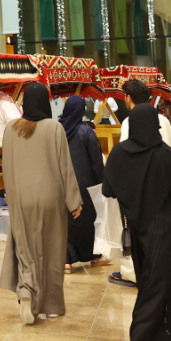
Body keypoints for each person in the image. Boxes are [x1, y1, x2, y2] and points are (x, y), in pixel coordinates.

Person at [102, 104, 171, 341]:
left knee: (158, 282)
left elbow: (108, 189)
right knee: (155, 285)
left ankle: (165, 338)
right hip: (158, 227)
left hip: (134, 228)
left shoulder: (119, 153)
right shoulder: (163, 156)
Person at [0, 83, 83, 325]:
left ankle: (26, 291)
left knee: (26, 250)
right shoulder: (54, 128)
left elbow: (7, 168)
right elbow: (65, 167)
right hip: (50, 200)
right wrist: (74, 201)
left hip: (21, 199)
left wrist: (12, 198)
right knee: (53, 252)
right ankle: (52, 306)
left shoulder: (11, 129)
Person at [110, 79, 171, 287]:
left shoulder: (130, 122)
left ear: (128, 99)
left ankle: (133, 274)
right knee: (160, 237)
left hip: (139, 188)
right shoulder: (163, 120)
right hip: (163, 186)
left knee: (135, 233)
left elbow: (125, 156)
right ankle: (159, 274)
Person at [58, 95, 108, 273]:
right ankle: (93, 256)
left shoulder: (57, 131)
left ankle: (65, 261)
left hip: (61, 185)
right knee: (87, 222)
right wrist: (102, 185)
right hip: (84, 186)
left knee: (65, 222)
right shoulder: (86, 132)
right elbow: (96, 162)